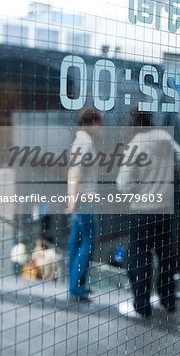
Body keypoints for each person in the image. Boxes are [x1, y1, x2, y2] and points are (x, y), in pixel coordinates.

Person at [117, 110, 180, 318]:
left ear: (133, 124)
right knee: (166, 256)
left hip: (142, 211)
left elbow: (123, 184)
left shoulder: (135, 144)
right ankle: (168, 301)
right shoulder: (165, 137)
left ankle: (141, 307)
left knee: (139, 259)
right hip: (165, 210)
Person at [65, 108, 102, 301]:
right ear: (92, 122)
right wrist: (72, 201)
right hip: (84, 200)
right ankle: (76, 286)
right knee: (87, 242)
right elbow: (76, 174)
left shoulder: (80, 140)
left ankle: (76, 285)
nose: (100, 129)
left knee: (77, 242)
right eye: (99, 124)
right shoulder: (84, 142)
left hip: (80, 200)